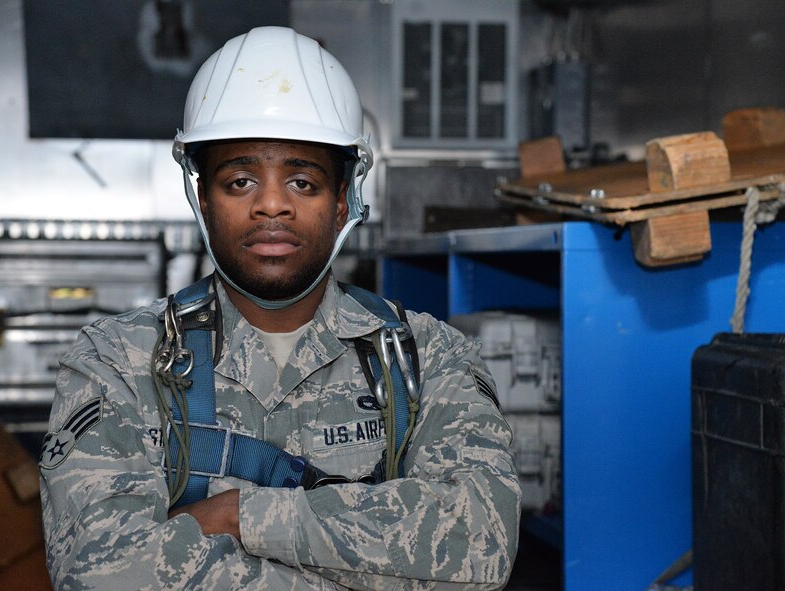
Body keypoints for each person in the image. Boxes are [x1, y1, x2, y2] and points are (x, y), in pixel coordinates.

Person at [40, 26, 521, 590]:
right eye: (240, 180)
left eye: (302, 181)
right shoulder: (119, 363)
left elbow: (481, 544)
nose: (272, 204)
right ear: (202, 200)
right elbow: (98, 573)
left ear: (344, 202)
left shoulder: (427, 361)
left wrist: (236, 515)